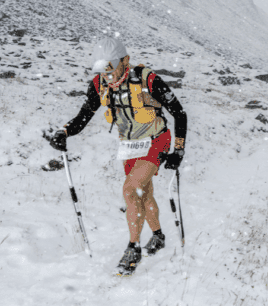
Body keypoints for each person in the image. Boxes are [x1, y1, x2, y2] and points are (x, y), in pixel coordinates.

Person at [50, 37, 187, 275]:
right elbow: (84, 116)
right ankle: (158, 236)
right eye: (103, 71)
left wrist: (178, 149)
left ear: (125, 60)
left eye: (111, 69)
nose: (108, 76)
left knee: (131, 189)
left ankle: (133, 249)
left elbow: (179, 113)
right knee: (144, 194)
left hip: (156, 140)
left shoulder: (148, 80)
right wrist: (65, 131)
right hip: (130, 147)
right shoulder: (98, 85)